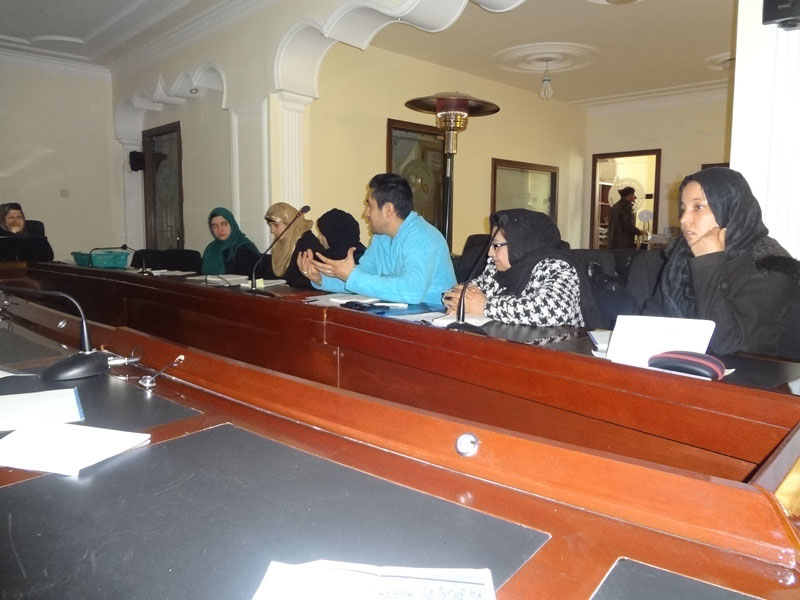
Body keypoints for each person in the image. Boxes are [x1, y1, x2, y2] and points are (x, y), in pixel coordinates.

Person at [645, 167, 799, 356]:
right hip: (677, 364)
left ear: (730, 209)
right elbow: (651, 319)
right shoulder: (680, 256)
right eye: (683, 209)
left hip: (746, 371)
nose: (684, 219)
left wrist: (708, 263)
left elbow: (727, 344)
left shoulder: (771, 265)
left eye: (698, 207)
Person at [297, 173, 455, 304]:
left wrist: (352, 276)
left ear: (388, 209)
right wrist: (320, 279)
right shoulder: (381, 238)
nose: (366, 213)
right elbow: (362, 278)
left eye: (370, 206)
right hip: (401, 319)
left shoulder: (423, 237)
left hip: (433, 323)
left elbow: (413, 292)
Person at [442, 209, 600, 327]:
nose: (490, 253)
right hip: (512, 344)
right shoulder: (496, 267)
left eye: (496, 245)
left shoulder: (558, 267)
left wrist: (485, 306)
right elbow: (458, 293)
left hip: (559, 352)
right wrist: (458, 302)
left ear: (520, 245)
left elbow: (552, 311)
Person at [263, 202, 325, 288]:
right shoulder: (279, 244)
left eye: (276, 225)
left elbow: (306, 281)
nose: (272, 230)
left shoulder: (307, 244)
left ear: (289, 223)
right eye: (270, 226)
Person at [201, 207, 261, 276]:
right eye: (215, 226)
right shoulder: (211, 249)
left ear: (232, 224)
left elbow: (254, 279)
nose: (220, 229)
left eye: (224, 224)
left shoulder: (246, 249)